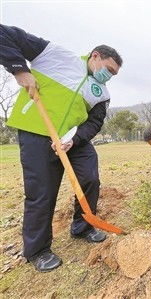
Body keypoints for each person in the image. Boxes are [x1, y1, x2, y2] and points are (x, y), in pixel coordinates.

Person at [0, 25, 122, 272]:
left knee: (90, 178)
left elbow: (95, 122)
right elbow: (4, 34)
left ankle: (83, 225)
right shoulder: (54, 55)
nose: (109, 76)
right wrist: (19, 69)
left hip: (74, 139)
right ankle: (37, 250)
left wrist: (74, 140)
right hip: (37, 131)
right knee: (42, 191)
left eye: (114, 75)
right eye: (108, 70)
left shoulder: (103, 93)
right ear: (95, 55)